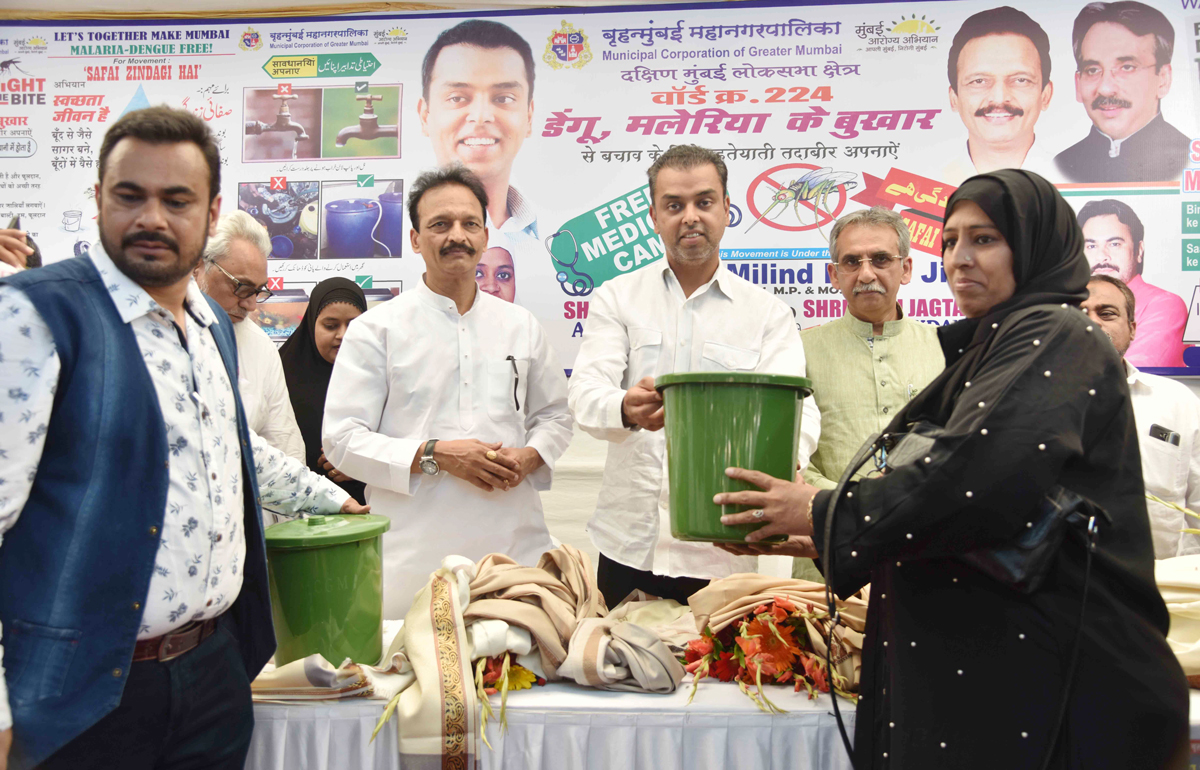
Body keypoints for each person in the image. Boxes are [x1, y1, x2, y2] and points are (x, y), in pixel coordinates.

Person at [717, 169, 1189, 768]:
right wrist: (808, 523)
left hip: (1058, 688)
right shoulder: (988, 347)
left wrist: (816, 510)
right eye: (950, 240)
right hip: (994, 677)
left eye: (985, 239)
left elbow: (970, 482)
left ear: (1037, 245)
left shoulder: (1057, 335)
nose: (960, 258)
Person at [0, 106, 367, 770]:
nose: (152, 218)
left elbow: (229, 448)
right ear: (98, 199)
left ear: (210, 208)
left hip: (213, 675)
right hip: (86, 692)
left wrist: (330, 499)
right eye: (129, 195)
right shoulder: (37, 315)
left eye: (177, 199)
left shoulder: (213, 328)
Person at [568, 144, 821, 609]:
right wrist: (625, 407)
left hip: (722, 550)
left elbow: (799, 412)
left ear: (727, 210)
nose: (690, 217)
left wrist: (788, 461)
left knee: (720, 682)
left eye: (704, 202)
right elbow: (584, 394)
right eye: (674, 205)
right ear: (653, 216)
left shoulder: (766, 313)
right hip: (628, 546)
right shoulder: (616, 297)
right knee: (617, 676)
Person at [323, 166, 573, 618]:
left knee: (518, 682)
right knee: (427, 683)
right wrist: (436, 453)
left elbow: (556, 416)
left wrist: (530, 456)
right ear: (416, 239)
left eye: (469, 224)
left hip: (513, 555)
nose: (456, 236)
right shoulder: (375, 330)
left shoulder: (520, 325)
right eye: (440, 225)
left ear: (484, 233)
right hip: (413, 563)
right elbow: (342, 439)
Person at [791, 207, 944, 582]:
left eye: (880, 259)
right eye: (851, 261)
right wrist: (855, 502)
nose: (866, 274)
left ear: (906, 269)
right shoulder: (798, 351)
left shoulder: (944, 351)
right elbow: (789, 455)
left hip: (925, 550)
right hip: (825, 552)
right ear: (834, 274)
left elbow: (962, 453)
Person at [1083, 274, 1200, 558]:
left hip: (1163, 584)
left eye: (1107, 313)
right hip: (1062, 589)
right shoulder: (1032, 400)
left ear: (1132, 328)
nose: (1093, 322)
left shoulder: (1178, 402)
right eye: (1079, 313)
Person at [418, 20, 539, 256]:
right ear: (425, 116)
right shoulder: (390, 239)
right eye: (456, 98)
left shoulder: (554, 243)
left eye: (503, 98)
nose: (481, 116)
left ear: (529, 117)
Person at [195, 210, 305, 462]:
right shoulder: (156, 334)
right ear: (198, 267)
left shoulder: (260, 347)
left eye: (258, 291)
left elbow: (284, 448)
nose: (252, 305)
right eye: (242, 288)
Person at [1054, 1, 1190, 183]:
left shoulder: (1191, 159)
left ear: (1163, 79)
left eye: (1127, 67)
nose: (1105, 89)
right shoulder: (1060, 165)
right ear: (1078, 85)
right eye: (1092, 70)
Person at [279, 277, 370, 505]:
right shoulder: (281, 374)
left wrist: (364, 467)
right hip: (298, 511)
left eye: (354, 325)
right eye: (330, 326)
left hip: (370, 508)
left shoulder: (382, 376)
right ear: (311, 324)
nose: (343, 334)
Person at [943, 6, 1055, 180]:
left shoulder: (1078, 181)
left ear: (1045, 95)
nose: (999, 98)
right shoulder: (918, 192)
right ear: (954, 98)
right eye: (978, 81)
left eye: (1020, 80)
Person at [1079, 198, 1185, 367]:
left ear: (1139, 251)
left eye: (1114, 244)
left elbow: (1135, 372)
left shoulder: (1165, 304)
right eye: (1091, 246)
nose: (1101, 257)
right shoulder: (1066, 303)